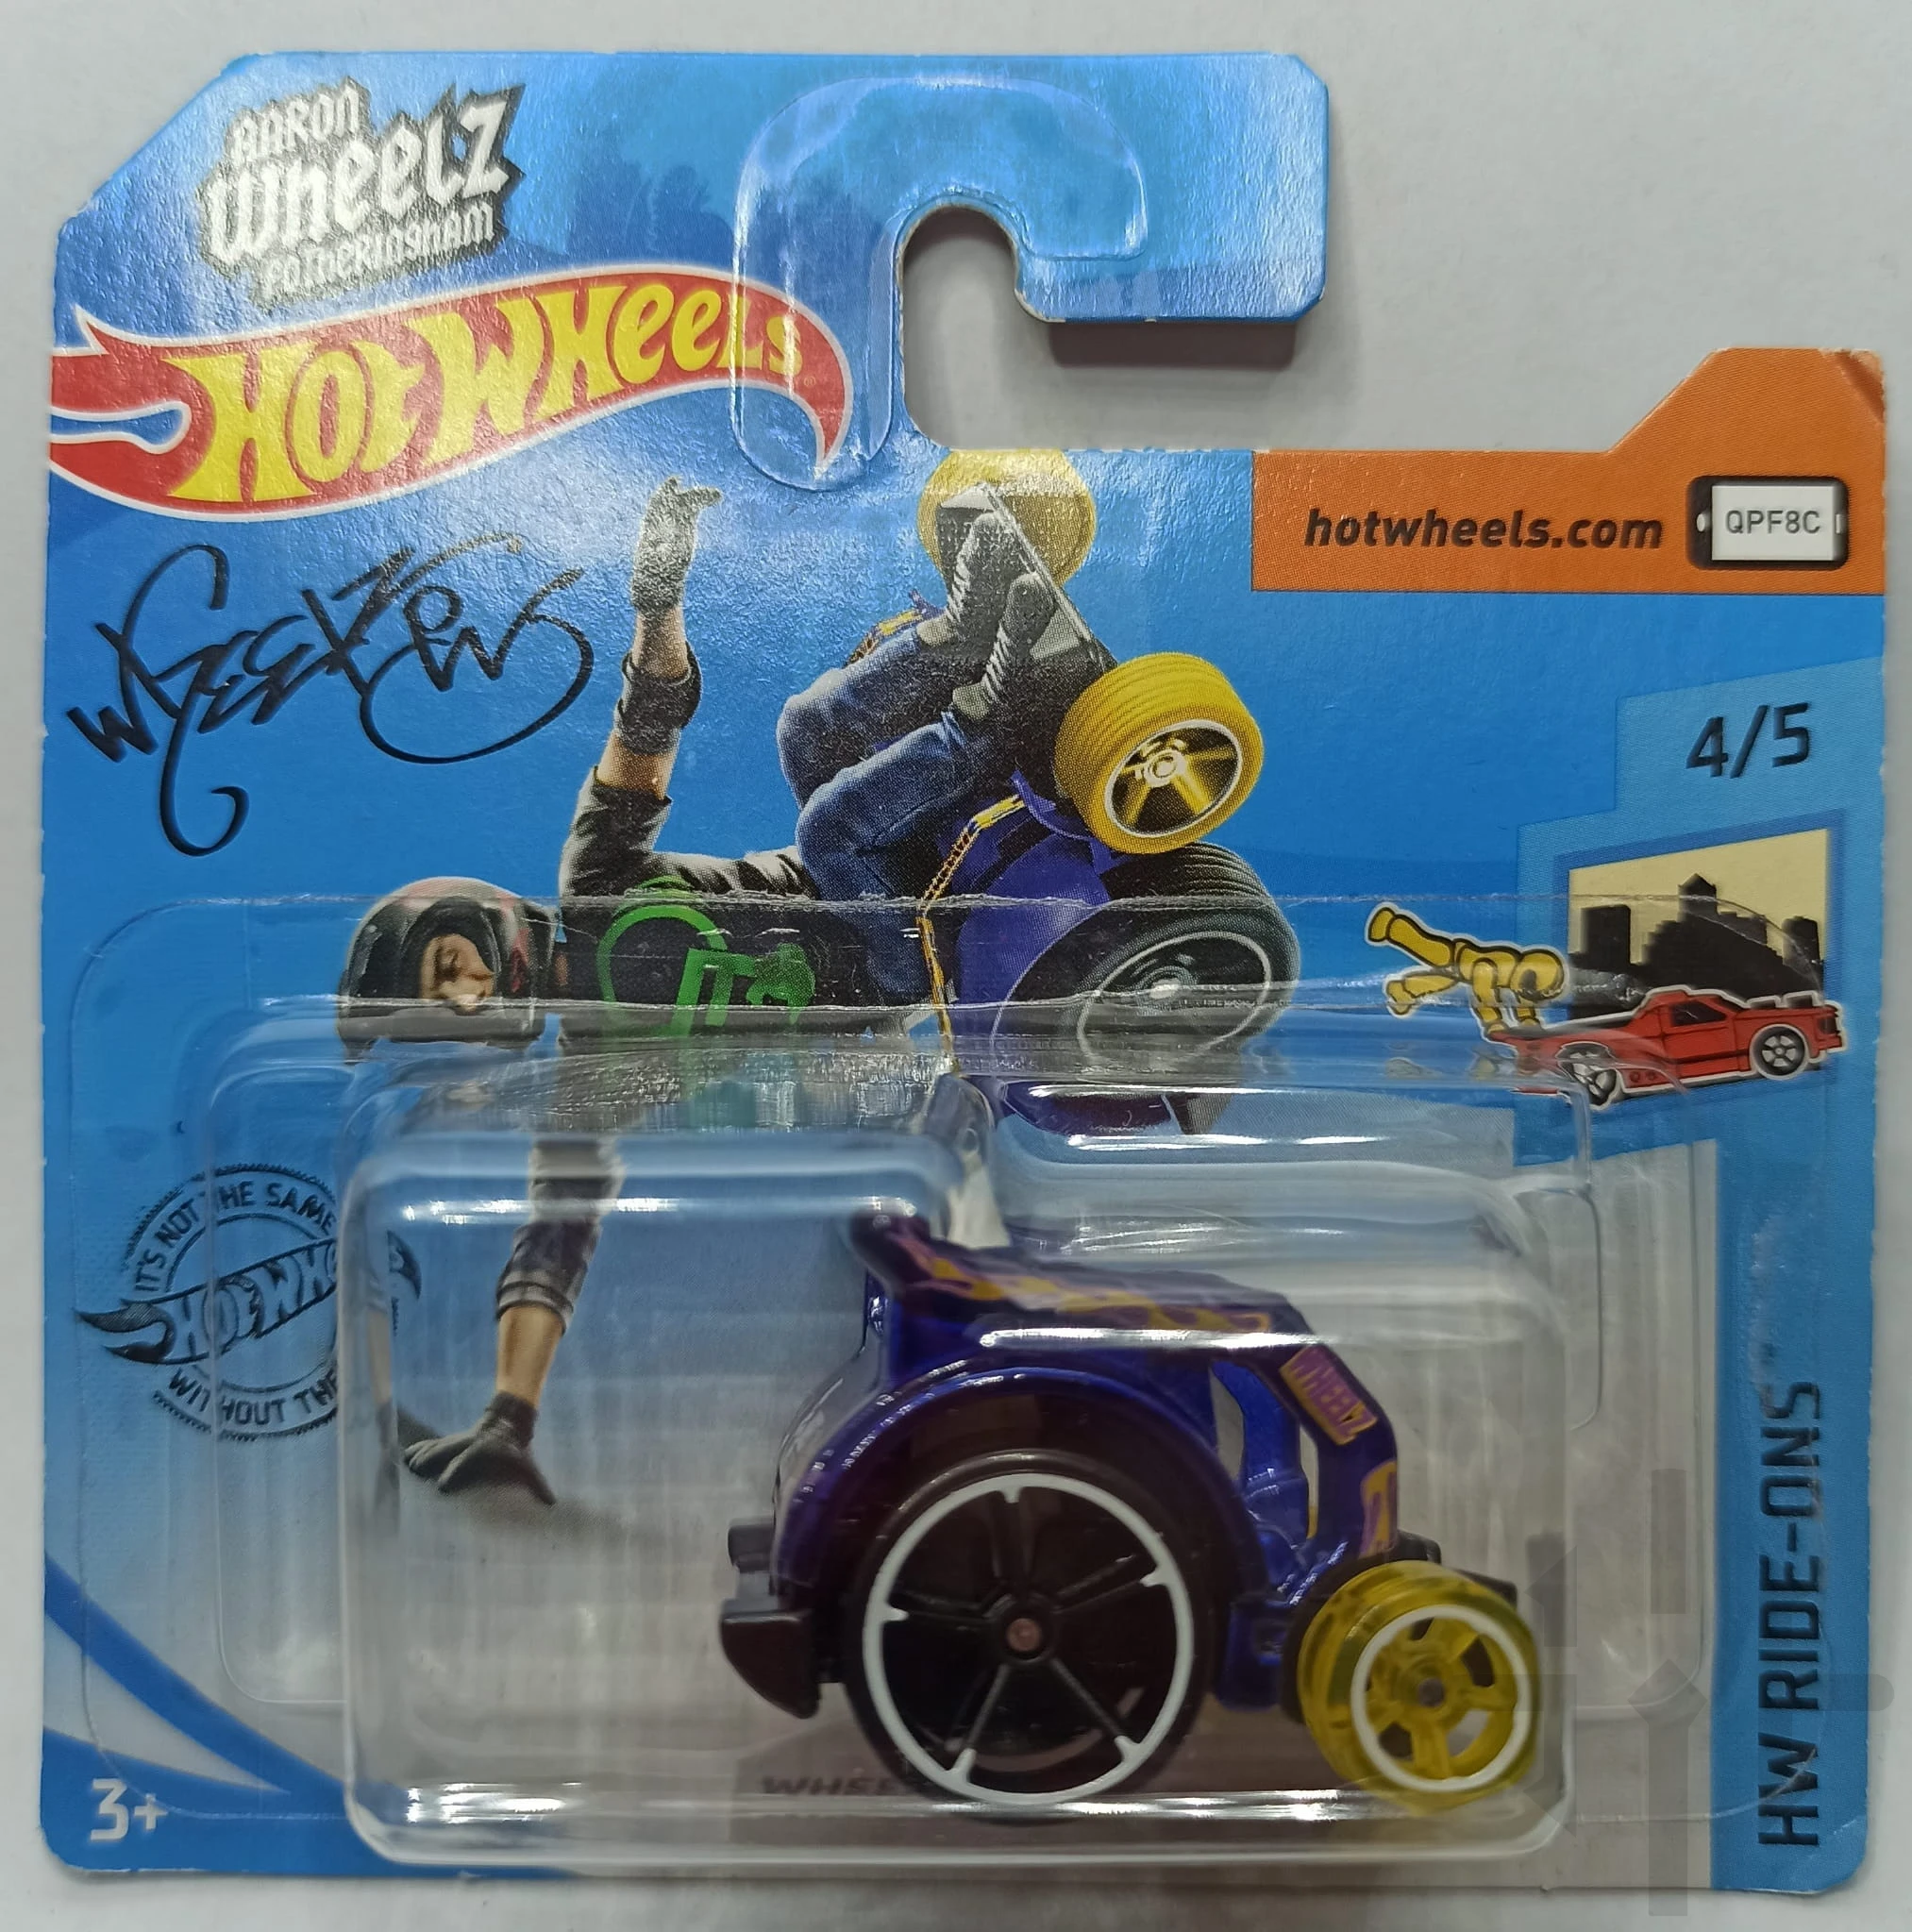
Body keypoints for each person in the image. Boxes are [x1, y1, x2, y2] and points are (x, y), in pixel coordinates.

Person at [339, 476, 822, 1503]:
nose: (472, 995)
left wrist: (657, 598)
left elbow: (652, 716)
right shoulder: (587, 1084)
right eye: (447, 1011)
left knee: (829, 734)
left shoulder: (597, 871)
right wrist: (507, 1418)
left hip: (864, 884)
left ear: (468, 917)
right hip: (902, 1031)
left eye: (448, 967)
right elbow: (553, 1239)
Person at [776, 450, 1113, 999]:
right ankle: (976, 704)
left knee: (804, 738)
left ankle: (960, 649)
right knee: (821, 814)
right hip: (906, 955)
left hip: (879, 941)